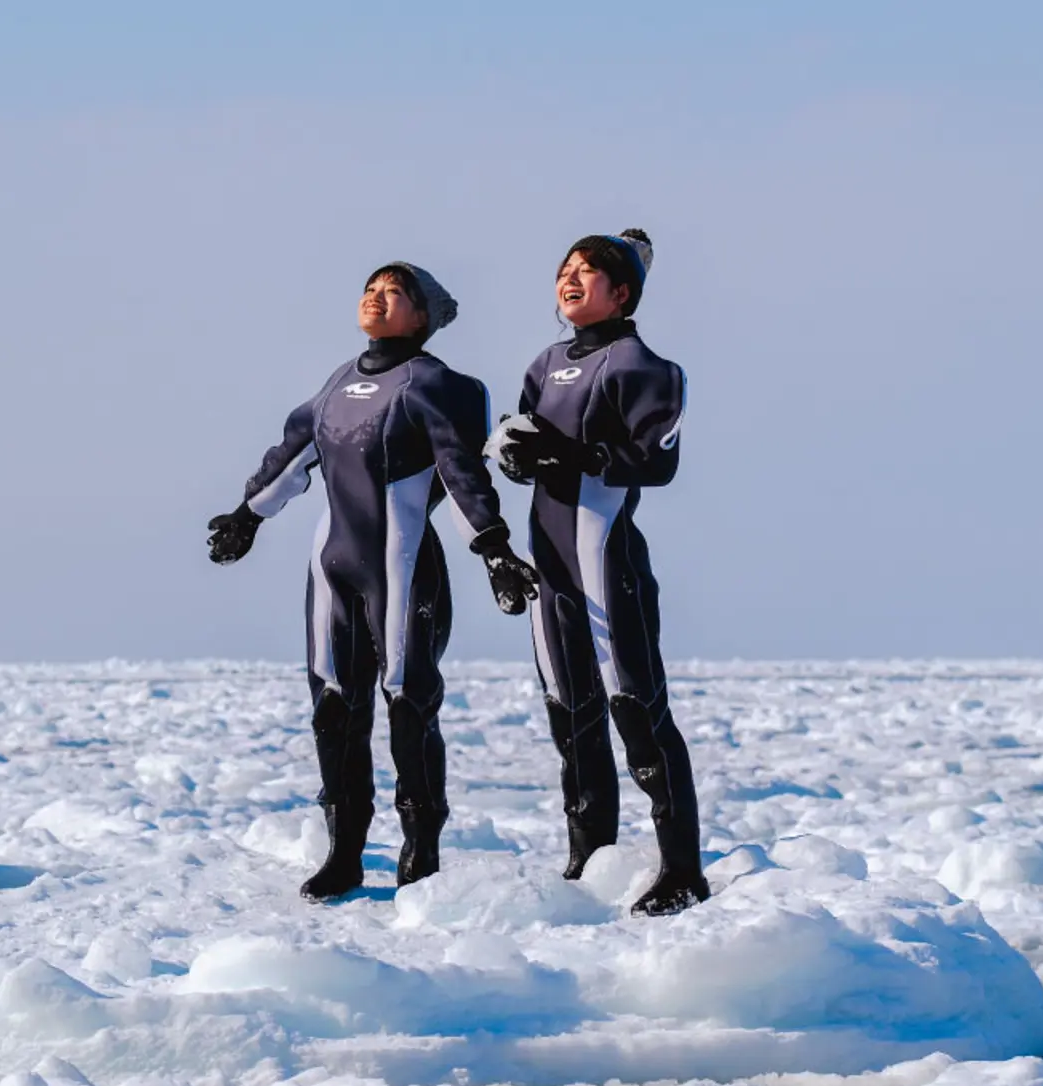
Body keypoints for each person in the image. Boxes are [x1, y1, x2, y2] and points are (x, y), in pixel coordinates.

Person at [208, 263, 538, 901]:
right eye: (370, 288)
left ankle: (420, 852)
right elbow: (293, 452)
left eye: (394, 293)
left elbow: (463, 473)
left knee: (409, 704)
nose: (375, 298)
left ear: (423, 318)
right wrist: (248, 515)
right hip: (332, 569)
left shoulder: (435, 384)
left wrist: (494, 549)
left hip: (403, 565)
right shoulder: (338, 383)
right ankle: (345, 852)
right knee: (334, 708)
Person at [488, 229, 709, 916]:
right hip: (551, 565)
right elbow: (520, 439)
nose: (571, 279)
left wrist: (569, 454)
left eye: (590, 271)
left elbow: (657, 462)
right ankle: (590, 859)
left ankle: (681, 869)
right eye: (566, 268)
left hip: (606, 560)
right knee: (570, 714)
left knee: (637, 709)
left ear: (624, 292)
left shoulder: (643, 366)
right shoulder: (545, 362)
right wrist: (513, 453)